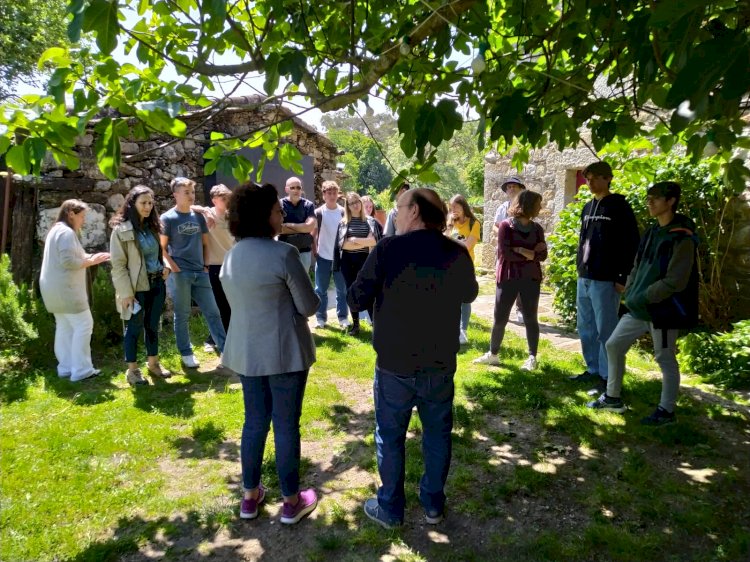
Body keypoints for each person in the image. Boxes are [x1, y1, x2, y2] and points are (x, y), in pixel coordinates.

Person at [348, 188, 478, 528]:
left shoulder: (389, 248)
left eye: (400, 208)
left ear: (416, 211)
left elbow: (356, 298)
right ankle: (433, 505)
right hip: (438, 363)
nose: (397, 214)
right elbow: (469, 292)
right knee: (437, 435)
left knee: (390, 435)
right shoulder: (454, 251)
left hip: (395, 364)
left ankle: (391, 507)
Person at [220, 181, 320, 524]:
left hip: (248, 353)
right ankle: (291, 501)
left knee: (255, 422)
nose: (282, 215)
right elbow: (308, 306)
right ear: (264, 216)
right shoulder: (284, 254)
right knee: (286, 425)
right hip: (285, 352)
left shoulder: (232, 256)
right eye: (278, 210)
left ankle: (249, 496)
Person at [588, 181, 698, 425]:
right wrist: (631, 287)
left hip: (664, 310)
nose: (649, 202)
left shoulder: (682, 237)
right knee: (614, 345)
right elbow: (637, 265)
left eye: (655, 198)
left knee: (664, 358)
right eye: (648, 197)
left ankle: (666, 411)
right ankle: (612, 398)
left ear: (671, 201)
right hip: (639, 307)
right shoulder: (651, 232)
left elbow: (675, 281)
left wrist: (642, 295)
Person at [570, 161, 639, 391]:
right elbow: (583, 240)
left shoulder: (619, 206)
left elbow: (630, 242)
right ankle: (592, 369)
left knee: (605, 329)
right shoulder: (588, 207)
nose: (589, 183)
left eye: (594, 178)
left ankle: (607, 377)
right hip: (585, 276)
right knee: (586, 327)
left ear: (607, 178)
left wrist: (622, 276)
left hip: (607, 278)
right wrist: (580, 266)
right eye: (587, 179)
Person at [474, 190, 547, 371]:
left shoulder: (537, 229)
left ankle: (532, 357)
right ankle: (493, 354)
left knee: (531, 318)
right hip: (508, 277)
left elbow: (543, 255)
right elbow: (505, 253)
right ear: (528, 205)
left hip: (530, 279)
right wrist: (530, 252)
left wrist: (520, 249)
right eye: (538, 204)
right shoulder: (506, 226)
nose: (540, 207)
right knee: (500, 317)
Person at [39, 199, 110, 382]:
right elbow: (69, 262)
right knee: (84, 325)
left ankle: (66, 368)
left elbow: (73, 256)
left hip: (53, 290)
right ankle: (81, 370)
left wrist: (94, 257)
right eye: (82, 216)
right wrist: (92, 261)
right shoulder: (66, 232)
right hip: (67, 290)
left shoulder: (56, 230)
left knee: (64, 327)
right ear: (71, 213)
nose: (83, 220)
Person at [160, 177, 226, 369]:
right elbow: (162, 248)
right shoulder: (167, 218)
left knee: (213, 312)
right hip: (180, 273)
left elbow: (206, 243)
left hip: (201, 272)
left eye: (192, 192)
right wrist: (175, 268)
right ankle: (186, 352)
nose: (191, 196)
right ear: (175, 195)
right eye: (186, 192)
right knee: (182, 314)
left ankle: (224, 350)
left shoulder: (198, 217)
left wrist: (205, 265)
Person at [110, 186, 172, 386]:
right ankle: (133, 371)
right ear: (132, 204)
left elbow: (160, 254)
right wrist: (126, 293)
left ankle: (154, 364)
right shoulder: (121, 230)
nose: (147, 207)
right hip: (136, 288)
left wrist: (166, 268)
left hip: (157, 284)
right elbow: (118, 265)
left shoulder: (154, 228)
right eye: (143, 203)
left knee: (153, 325)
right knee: (134, 327)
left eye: (150, 203)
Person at [191, 184, 235, 354]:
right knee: (217, 305)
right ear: (214, 200)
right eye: (223, 199)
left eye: (228, 198)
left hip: (231, 266)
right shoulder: (207, 215)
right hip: (214, 266)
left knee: (230, 304)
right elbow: (190, 207)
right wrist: (205, 210)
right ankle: (213, 339)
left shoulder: (232, 217)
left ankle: (226, 338)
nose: (227, 201)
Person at [333, 192, 380, 335]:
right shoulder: (343, 222)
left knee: (368, 291)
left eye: (357, 202)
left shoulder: (370, 221)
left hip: (364, 261)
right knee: (351, 291)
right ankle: (355, 325)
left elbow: (374, 241)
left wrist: (354, 239)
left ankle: (375, 324)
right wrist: (363, 241)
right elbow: (343, 245)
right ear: (348, 205)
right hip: (348, 262)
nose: (355, 205)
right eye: (352, 203)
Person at [313, 180, 349, 329]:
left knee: (342, 290)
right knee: (321, 289)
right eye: (329, 193)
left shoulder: (343, 212)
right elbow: (313, 234)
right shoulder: (319, 213)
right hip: (323, 257)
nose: (332, 195)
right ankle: (320, 319)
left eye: (334, 192)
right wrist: (315, 250)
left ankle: (343, 318)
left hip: (340, 258)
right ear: (324, 195)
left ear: (337, 194)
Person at [492, 177, 527, 324]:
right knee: (502, 278)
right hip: (503, 250)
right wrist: (504, 234)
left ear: (520, 189)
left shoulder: (525, 208)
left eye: (514, 186)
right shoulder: (502, 208)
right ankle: (500, 309)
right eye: (508, 187)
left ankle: (520, 310)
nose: (511, 189)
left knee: (520, 278)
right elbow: (495, 226)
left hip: (520, 249)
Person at [447, 194, 480, 344]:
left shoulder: (474, 223)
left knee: (465, 300)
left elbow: (468, 246)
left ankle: (463, 331)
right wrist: (449, 227)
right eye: (451, 207)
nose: (453, 210)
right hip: (449, 265)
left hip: (466, 266)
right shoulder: (450, 223)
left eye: (456, 207)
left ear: (463, 206)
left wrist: (452, 242)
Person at [279, 177, 316, 273]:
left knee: (302, 283)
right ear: (286, 189)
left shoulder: (308, 205)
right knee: (286, 283)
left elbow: (310, 227)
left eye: (298, 188)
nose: (296, 190)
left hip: (304, 251)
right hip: (285, 251)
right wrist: (302, 227)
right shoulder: (280, 205)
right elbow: (279, 228)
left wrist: (288, 225)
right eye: (292, 188)